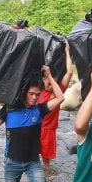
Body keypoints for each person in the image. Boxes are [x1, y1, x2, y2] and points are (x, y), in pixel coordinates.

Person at [0, 66, 65, 182]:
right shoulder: (10, 109)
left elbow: (61, 98)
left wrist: (48, 75)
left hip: (33, 162)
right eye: (31, 94)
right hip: (12, 161)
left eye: (37, 94)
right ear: (24, 94)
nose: (35, 97)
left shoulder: (40, 109)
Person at [38, 40, 73, 168]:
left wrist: (67, 52)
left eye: (53, 82)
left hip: (49, 131)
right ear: (42, 79)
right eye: (48, 82)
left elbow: (69, 72)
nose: (52, 85)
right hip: (34, 128)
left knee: (46, 164)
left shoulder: (58, 90)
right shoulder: (36, 91)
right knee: (31, 161)